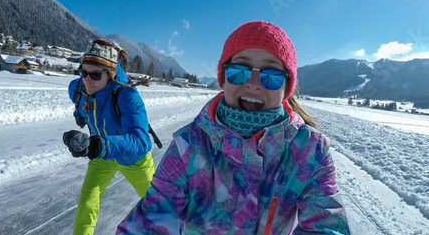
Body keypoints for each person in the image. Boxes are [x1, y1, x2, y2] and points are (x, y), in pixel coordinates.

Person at [116, 21, 350, 234]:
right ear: (224, 78)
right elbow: (151, 219)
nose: (253, 84)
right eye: (239, 71)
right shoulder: (188, 145)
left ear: (286, 87)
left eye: (271, 76)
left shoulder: (311, 151)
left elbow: (327, 228)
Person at [62, 38, 155, 235]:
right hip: (102, 156)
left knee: (159, 208)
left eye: (95, 75)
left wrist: (99, 145)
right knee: (87, 203)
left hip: (133, 159)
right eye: (83, 72)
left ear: (111, 74)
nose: (87, 80)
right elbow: (80, 106)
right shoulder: (76, 88)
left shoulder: (128, 96)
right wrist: (79, 119)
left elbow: (141, 141)